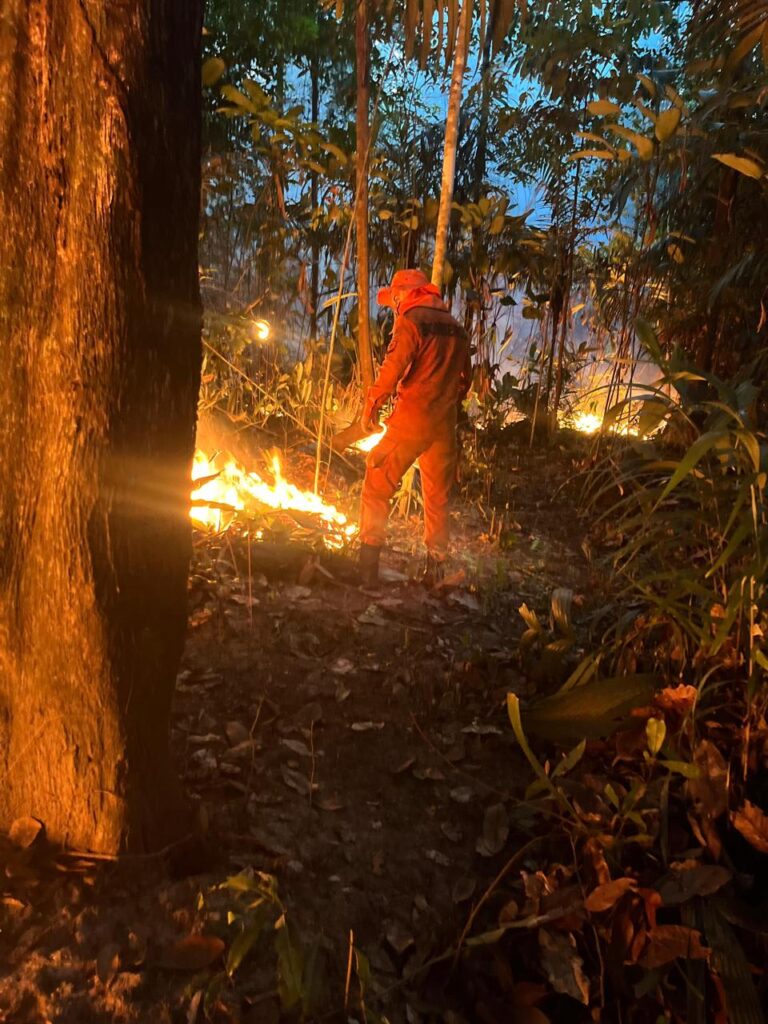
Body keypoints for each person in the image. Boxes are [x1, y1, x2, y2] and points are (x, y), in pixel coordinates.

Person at [358, 269, 472, 586]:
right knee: (436, 498)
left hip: (412, 420)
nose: (393, 304)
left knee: (376, 483)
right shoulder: (457, 329)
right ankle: (435, 568)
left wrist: (372, 406)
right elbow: (466, 381)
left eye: (394, 297)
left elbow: (392, 368)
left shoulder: (411, 321)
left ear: (404, 294)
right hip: (444, 425)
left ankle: (367, 569)